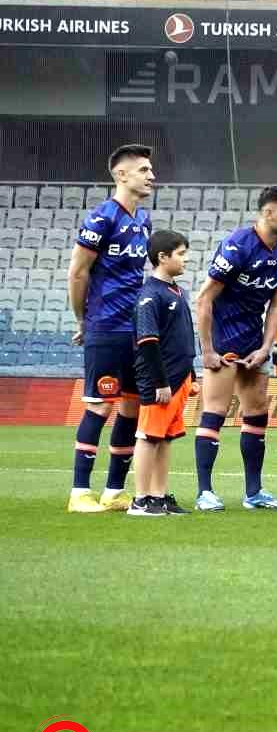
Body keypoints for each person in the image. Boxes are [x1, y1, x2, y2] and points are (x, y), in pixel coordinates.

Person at [194, 186, 277, 511]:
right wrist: (208, 349)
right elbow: (205, 298)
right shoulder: (237, 246)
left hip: (254, 341)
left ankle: (254, 493)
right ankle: (204, 493)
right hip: (224, 339)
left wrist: (267, 346)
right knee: (214, 412)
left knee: (257, 415)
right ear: (268, 213)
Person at [66, 144, 155, 514]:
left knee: (132, 409)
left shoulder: (143, 220)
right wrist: (82, 320)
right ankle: (79, 493)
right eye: (144, 170)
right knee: (100, 407)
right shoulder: (102, 218)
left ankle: (113, 491)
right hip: (106, 326)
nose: (152, 176)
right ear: (122, 175)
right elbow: (78, 272)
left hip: (134, 329)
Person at [128, 228, 193, 516]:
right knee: (149, 436)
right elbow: (148, 342)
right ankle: (140, 499)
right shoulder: (150, 295)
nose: (186, 259)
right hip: (161, 380)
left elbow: (181, 337)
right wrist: (160, 381)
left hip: (179, 377)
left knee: (166, 437)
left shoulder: (177, 291)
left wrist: (190, 374)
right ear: (162, 257)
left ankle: (159, 495)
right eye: (181, 254)